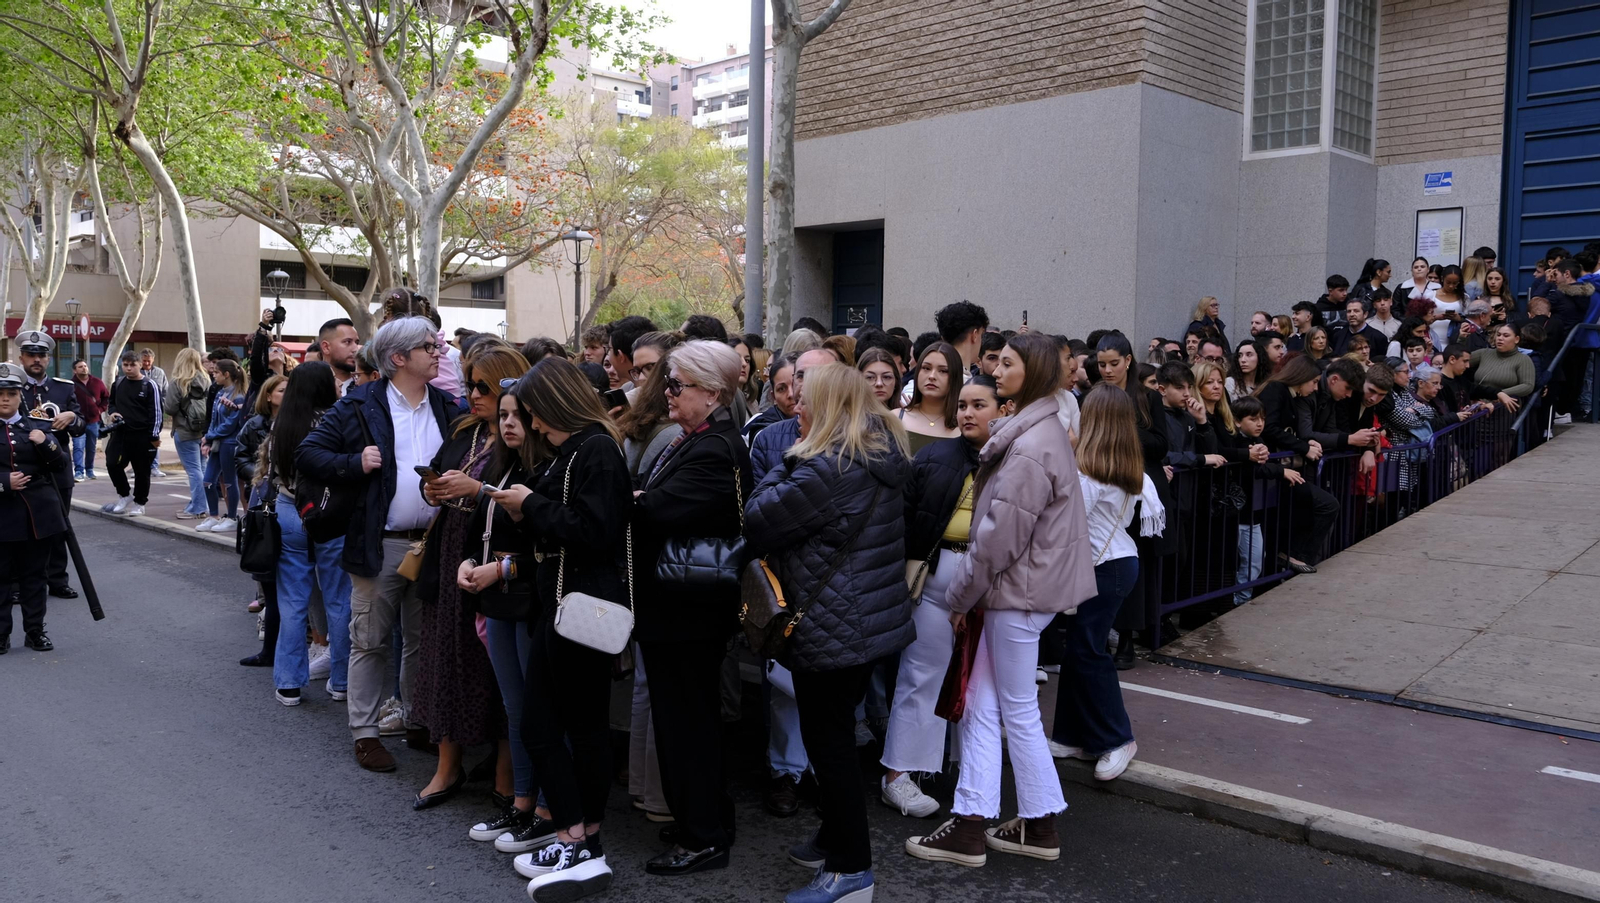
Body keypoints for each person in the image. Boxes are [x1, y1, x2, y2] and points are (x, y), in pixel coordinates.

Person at [906, 332, 1094, 868]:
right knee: (991, 708)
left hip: (1018, 593)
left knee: (1007, 708)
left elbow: (996, 540)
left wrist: (961, 597)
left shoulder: (1033, 443)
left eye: (1007, 362)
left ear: (1029, 373)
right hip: (1025, 592)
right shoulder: (1041, 432)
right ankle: (1012, 824)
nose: (995, 367)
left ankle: (994, 826)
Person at [744, 363, 912, 903]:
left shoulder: (825, 468)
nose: (796, 408)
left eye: (806, 399)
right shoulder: (874, 453)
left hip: (834, 627)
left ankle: (850, 869)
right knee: (834, 735)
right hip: (862, 623)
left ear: (832, 409)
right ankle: (834, 837)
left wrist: (785, 460)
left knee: (831, 745)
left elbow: (758, 519)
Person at [479, 358, 631, 902]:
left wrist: (531, 506)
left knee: (557, 726)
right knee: (563, 726)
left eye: (534, 413)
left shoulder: (596, 451)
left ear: (556, 405)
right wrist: (529, 509)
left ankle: (578, 841)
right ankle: (581, 839)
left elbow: (596, 531)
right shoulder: (579, 450)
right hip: (562, 606)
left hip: (580, 609)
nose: (532, 425)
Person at [296, 316, 466, 773]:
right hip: (380, 544)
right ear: (398, 358)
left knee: (419, 642)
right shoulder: (358, 405)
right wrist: (355, 462)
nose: (440, 352)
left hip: (432, 544)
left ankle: (415, 720)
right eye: (430, 346)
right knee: (369, 641)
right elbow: (306, 454)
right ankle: (365, 734)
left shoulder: (448, 406)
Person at [630, 339, 751, 876]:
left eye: (677, 385)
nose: (667, 392)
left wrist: (631, 501)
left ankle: (703, 836)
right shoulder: (698, 438)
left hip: (687, 611)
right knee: (686, 721)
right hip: (682, 606)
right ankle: (705, 820)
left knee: (687, 725)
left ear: (713, 392)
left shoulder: (713, 448)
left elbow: (655, 510)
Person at [882, 374, 1005, 820]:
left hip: (995, 590)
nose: (968, 413)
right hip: (933, 585)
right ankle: (899, 775)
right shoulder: (933, 456)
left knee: (981, 685)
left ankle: (969, 770)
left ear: (1003, 410)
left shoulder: (1016, 459)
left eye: (979, 405)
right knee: (921, 675)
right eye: (964, 406)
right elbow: (906, 520)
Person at [410, 343, 528, 808]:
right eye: (468, 385)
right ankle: (447, 767)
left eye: (482, 386)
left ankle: (505, 774)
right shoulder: (466, 429)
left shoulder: (523, 435)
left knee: (496, 673)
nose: (472, 394)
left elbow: (527, 498)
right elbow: (438, 475)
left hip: (494, 564)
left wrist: (477, 490)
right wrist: (433, 487)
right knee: (445, 664)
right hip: (449, 559)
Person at [1048, 383, 1159, 780]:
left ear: (1091, 419)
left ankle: (1117, 739)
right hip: (1116, 563)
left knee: (1088, 651)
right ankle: (1073, 735)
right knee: (1080, 649)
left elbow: (1065, 522)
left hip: (1103, 567)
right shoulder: (1126, 467)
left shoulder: (1088, 469)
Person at [1095, 333, 1173, 665]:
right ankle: (1110, 635)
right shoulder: (1095, 395)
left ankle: (1129, 639)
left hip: (1142, 490)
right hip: (1105, 487)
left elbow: (1160, 444)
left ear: (1128, 361)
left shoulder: (1147, 397)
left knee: (1137, 562)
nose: (1108, 370)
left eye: (1114, 363)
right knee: (1111, 562)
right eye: (1101, 364)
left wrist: (1124, 428)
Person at [0, 362, 69, 654]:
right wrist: (3, 482)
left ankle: (35, 631)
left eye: (11, 393)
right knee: (1, 578)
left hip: (36, 516)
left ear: (20, 396)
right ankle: (1, 634)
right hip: (2, 515)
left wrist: (45, 444)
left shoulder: (36, 424)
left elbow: (59, 465)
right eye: (0, 393)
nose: (5, 399)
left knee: (34, 576)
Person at [16, 331, 83, 599]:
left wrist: (72, 416)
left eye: (41, 355)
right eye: (31, 355)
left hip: (57, 466)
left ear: (48, 359)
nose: (36, 359)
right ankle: (20, 584)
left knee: (59, 524)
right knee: (21, 527)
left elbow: (80, 427)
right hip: (22, 465)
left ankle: (57, 579)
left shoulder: (64, 387)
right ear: (21, 357)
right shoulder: (11, 386)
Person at [235, 373, 286, 668]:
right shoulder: (255, 425)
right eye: (281, 389)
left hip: (286, 504)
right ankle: (269, 648)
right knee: (265, 569)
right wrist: (258, 476)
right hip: (262, 500)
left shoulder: (297, 422)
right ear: (268, 395)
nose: (286, 393)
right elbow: (239, 455)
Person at [101, 351, 163, 518]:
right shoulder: (118, 383)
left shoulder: (149, 385)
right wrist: (113, 413)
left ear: (140, 365)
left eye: (132, 365)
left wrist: (154, 437)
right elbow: (111, 403)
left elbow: (156, 412)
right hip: (120, 433)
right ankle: (124, 495)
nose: (128, 368)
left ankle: (139, 503)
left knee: (142, 471)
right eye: (125, 365)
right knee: (112, 464)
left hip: (143, 435)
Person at [196, 360, 247, 533]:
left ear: (226, 374)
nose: (213, 374)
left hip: (230, 443)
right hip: (218, 442)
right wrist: (208, 438)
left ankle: (232, 517)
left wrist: (209, 436)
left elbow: (230, 424)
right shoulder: (220, 393)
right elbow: (213, 418)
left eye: (216, 372)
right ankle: (214, 515)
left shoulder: (238, 396)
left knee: (230, 481)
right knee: (208, 481)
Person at [164, 349, 213, 520]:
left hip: (184, 430)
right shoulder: (207, 380)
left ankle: (198, 508)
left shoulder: (178, 382)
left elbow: (169, 408)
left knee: (193, 471)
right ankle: (202, 505)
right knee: (203, 469)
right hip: (203, 432)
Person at [896, 342, 962, 453]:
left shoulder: (965, 425)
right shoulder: (894, 419)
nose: (932, 376)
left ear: (955, 376)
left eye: (943, 371)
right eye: (926, 368)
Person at [1470, 324, 1537, 413]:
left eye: (1506, 336)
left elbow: (1528, 385)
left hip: (1502, 409)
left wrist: (1501, 393)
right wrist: (1461, 339)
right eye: (1498, 335)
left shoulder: (1523, 359)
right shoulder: (1484, 353)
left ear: (1516, 339)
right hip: (1478, 407)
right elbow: (1459, 361)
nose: (1500, 338)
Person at [743, 353, 797, 445]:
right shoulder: (759, 426)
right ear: (773, 396)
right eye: (781, 389)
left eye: (795, 385)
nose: (791, 394)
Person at [70, 359, 108, 482]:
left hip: (93, 420)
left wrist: (100, 410)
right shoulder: (70, 385)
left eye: (85, 366)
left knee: (91, 447)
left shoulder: (97, 382)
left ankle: (90, 470)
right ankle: (79, 471)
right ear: (75, 370)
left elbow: (106, 398)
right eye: (80, 366)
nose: (84, 368)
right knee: (78, 446)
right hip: (78, 422)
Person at [139, 348, 169, 480]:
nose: (146, 364)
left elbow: (165, 391)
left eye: (149, 361)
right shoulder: (136, 372)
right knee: (139, 441)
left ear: (153, 360)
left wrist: (162, 406)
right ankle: (139, 467)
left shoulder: (159, 372)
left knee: (154, 438)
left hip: (156, 413)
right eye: (144, 361)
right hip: (139, 413)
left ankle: (154, 467)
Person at [317, 317, 363, 397]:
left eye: (356, 342)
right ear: (326, 347)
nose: (356, 349)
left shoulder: (364, 387)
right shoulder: (309, 387)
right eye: (347, 342)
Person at [1430, 265, 1468, 350]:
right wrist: (1436, 317)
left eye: (1455, 283)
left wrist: (1459, 318)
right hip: (1433, 338)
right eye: (1448, 282)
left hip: (1456, 339)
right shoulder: (1431, 295)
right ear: (1442, 278)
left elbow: (1470, 320)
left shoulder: (1464, 298)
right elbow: (1421, 319)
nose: (1451, 286)